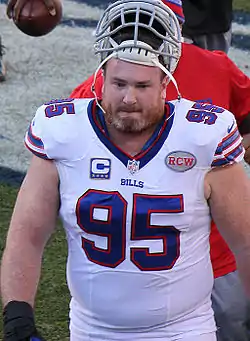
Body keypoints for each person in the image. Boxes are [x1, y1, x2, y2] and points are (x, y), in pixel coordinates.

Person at [1, 0, 250, 341]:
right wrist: (18, 318)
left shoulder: (204, 134)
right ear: (101, 77)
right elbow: (27, 235)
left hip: (184, 330)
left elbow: (246, 242)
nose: (129, 98)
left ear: (165, 82)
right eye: (119, 84)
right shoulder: (62, 130)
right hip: (92, 330)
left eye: (142, 86)